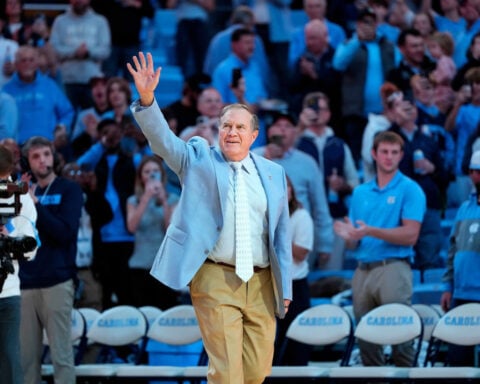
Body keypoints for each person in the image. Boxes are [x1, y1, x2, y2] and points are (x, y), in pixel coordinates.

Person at [127, 52, 292, 384]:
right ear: (218, 130)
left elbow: (280, 236)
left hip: (261, 281)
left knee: (257, 372)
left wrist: (284, 285)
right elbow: (164, 143)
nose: (232, 132)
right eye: (226, 126)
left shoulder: (274, 173)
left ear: (253, 135)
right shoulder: (198, 158)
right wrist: (148, 100)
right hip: (215, 277)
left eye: (239, 127)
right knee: (227, 372)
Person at [334, 131, 426, 367]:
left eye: (394, 153)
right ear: (374, 154)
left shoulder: (410, 189)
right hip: (362, 269)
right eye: (384, 152)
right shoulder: (360, 192)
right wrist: (348, 236)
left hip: (393, 268)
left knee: (401, 339)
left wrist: (370, 231)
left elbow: (410, 235)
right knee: (366, 342)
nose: (389, 157)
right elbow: (355, 239)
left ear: (401, 156)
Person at [19, 136, 83, 384]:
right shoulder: (20, 194)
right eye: (36, 156)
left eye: (46, 154)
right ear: (28, 161)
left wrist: (36, 206)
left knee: (61, 357)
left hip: (57, 281)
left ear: (53, 157)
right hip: (25, 283)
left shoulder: (69, 189)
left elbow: (64, 233)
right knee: (26, 361)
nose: (42, 160)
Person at [253, 110, 333, 269]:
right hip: (260, 234)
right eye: (277, 125)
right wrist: (267, 159)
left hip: (298, 234)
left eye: (288, 126)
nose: (282, 129)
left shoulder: (307, 162)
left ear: (295, 132)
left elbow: (320, 205)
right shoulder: (254, 157)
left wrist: (326, 243)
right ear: (269, 131)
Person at [296, 92, 359, 270]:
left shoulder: (338, 145)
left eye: (321, 109)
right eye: (312, 109)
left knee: (331, 274)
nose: (317, 114)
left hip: (334, 217)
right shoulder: (296, 142)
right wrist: (300, 127)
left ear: (329, 114)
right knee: (300, 274)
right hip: (303, 217)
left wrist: (343, 185)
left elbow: (355, 182)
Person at [333, 6, 400, 166]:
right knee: (358, 158)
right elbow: (338, 64)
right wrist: (358, 40)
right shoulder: (349, 44)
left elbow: (398, 69)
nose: (367, 26)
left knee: (383, 158)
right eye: (364, 22)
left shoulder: (388, 45)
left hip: (384, 115)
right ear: (357, 24)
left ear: (377, 24)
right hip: (356, 113)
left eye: (371, 22)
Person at [0, 144, 38, 384]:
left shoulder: (22, 197)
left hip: (7, 290)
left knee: (9, 359)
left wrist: (9, 237)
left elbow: (30, 248)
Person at [440, 149, 480, 366]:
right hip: (461, 293)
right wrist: (447, 285)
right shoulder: (464, 208)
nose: (478, 176)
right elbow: (452, 250)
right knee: (457, 363)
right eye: (475, 171)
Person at [126, 155, 179, 309]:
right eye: (147, 171)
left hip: (164, 267)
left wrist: (163, 201)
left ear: (162, 174)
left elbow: (170, 230)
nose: (151, 174)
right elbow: (131, 227)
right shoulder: (133, 201)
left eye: (155, 171)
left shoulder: (173, 199)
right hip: (140, 266)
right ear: (141, 177)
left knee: (165, 313)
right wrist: (146, 198)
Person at [273, 176, 313, 366]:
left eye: (286, 186)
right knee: (272, 347)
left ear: (292, 190)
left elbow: (302, 253)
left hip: (295, 287)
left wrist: (276, 235)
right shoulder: (264, 216)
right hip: (271, 286)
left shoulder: (301, 217)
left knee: (296, 348)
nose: (283, 190)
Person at [2, 45, 75, 145]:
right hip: (18, 148)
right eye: (23, 60)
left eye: (31, 60)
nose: (27, 64)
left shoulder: (49, 86)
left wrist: (62, 127)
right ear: (16, 64)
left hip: (48, 145)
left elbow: (67, 112)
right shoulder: (6, 91)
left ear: (36, 64)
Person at [49, 0, 111, 109]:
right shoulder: (60, 21)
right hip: (66, 80)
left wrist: (88, 52)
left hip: (93, 81)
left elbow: (105, 50)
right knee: (67, 119)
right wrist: (74, 52)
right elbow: (53, 49)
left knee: (92, 121)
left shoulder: (100, 21)